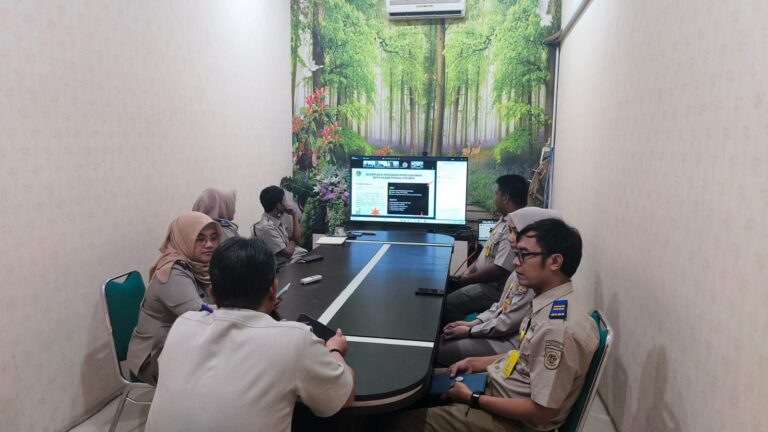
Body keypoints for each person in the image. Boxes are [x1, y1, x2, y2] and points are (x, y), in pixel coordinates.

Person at [383, 218, 599, 432]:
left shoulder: (557, 329)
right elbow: (525, 356)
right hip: (501, 387)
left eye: (525, 255)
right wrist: (477, 362)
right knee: (422, 385)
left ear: (555, 262)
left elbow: (541, 412)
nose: (515, 262)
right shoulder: (550, 301)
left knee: (398, 423)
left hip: (514, 422)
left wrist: (473, 398)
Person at [144, 237, 355, 432]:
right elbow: (343, 397)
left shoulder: (183, 324)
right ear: (273, 290)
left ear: (212, 294)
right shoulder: (295, 340)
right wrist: (335, 349)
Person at [437, 208, 562, 366]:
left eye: (515, 232)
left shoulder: (534, 280)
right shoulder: (519, 271)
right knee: (443, 339)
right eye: (509, 231)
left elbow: (506, 323)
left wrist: (470, 331)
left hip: (507, 343)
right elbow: (501, 307)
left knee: (441, 349)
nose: (510, 238)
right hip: (499, 334)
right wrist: (473, 323)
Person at [126, 211, 222, 385]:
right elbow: (200, 314)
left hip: (183, 342)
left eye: (213, 237)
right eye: (200, 239)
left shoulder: (202, 264)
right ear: (184, 239)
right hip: (154, 356)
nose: (209, 244)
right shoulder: (173, 271)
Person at [443, 174, 529, 323]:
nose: (495, 198)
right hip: (481, 281)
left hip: (493, 289)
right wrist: (469, 272)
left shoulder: (514, 228)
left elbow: (499, 270)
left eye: (497, 194)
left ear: (505, 198)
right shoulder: (504, 221)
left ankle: (454, 336)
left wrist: (466, 280)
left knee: (448, 304)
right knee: (447, 290)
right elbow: (486, 253)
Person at [253, 185, 308, 268]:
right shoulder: (266, 227)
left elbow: (297, 240)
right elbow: (288, 253)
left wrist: (294, 216)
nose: (287, 204)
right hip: (284, 268)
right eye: (284, 201)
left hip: (294, 260)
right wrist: (292, 242)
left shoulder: (277, 219)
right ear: (278, 205)